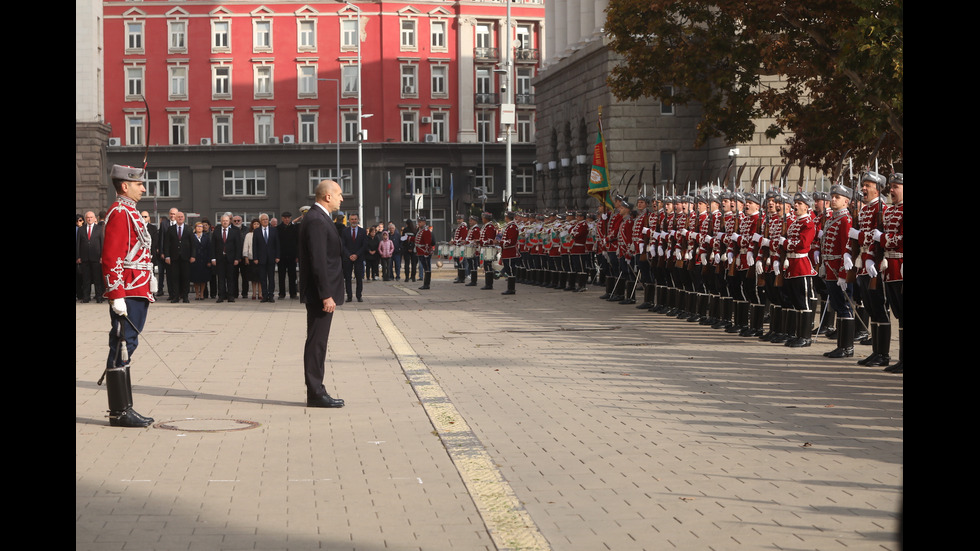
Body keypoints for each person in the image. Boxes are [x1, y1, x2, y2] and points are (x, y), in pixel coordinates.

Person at [101, 164, 156, 427]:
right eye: (138, 184)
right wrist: (116, 294)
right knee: (123, 344)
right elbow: (111, 257)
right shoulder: (119, 212)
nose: (143, 188)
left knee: (128, 343)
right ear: (125, 186)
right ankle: (120, 412)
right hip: (128, 289)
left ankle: (126, 408)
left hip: (138, 287)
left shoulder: (129, 211)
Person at [298, 180, 346, 408]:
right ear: (327, 196)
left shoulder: (320, 217)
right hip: (320, 294)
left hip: (323, 292)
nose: (341, 198)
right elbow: (318, 260)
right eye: (339, 194)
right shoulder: (316, 219)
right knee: (317, 343)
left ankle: (316, 390)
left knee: (318, 342)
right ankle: (316, 393)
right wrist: (326, 294)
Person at [210, 214, 242, 302]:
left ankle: (230, 296)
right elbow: (213, 246)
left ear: (229, 222)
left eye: (226, 221)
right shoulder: (216, 232)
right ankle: (221, 296)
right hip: (219, 259)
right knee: (220, 278)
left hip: (231, 259)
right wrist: (213, 258)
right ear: (221, 222)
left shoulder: (234, 232)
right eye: (223, 221)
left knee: (231, 278)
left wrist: (237, 258)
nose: (225, 222)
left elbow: (238, 246)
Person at [163, 211, 192, 303]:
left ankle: (185, 296)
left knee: (185, 277)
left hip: (186, 257)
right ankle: (175, 296)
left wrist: (193, 255)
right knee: (175, 277)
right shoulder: (171, 229)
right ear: (175, 218)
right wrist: (167, 256)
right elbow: (166, 243)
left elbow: (192, 244)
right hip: (174, 257)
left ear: (184, 218)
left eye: (181, 217)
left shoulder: (188, 229)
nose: (180, 218)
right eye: (178, 217)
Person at [77, 211, 105, 303]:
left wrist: (102, 256)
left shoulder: (99, 229)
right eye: (88, 217)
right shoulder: (81, 229)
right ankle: (86, 297)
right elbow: (78, 244)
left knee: (97, 279)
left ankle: (99, 297)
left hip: (96, 257)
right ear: (86, 219)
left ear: (94, 218)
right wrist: (78, 256)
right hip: (84, 258)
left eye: (91, 217)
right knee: (86, 279)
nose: (89, 219)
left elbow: (102, 243)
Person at [252, 213, 280, 303]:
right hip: (261, 258)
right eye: (263, 219)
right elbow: (254, 246)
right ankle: (264, 295)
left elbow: (277, 244)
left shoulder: (273, 230)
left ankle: (271, 295)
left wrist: (277, 256)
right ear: (260, 221)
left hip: (271, 258)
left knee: (271, 278)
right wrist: (255, 258)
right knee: (263, 278)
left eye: (266, 219)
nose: (265, 221)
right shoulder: (257, 231)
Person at [341, 213, 367, 302]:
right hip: (347, 258)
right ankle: (349, 296)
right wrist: (349, 255)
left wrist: (357, 255)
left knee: (359, 278)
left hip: (359, 258)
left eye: (355, 219)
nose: (354, 221)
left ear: (358, 220)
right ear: (349, 220)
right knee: (347, 278)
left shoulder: (363, 231)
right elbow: (343, 245)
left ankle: (359, 296)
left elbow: (364, 245)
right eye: (352, 219)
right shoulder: (345, 231)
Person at [277, 211, 299, 299]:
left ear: (290, 218)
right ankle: (282, 293)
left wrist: (297, 255)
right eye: (285, 218)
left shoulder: (294, 228)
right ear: (282, 218)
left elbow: (297, 243)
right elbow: (276, 243)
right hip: (281, 256)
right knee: (281, 276)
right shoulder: (278, 228)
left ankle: (293, 293)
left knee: (292, 275)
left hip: (292, 256)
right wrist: (277, 255)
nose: (286, 219)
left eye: (288, 218)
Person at [189, 221, 212, 300]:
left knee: (203, 278)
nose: (199, 228)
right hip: (195, 259)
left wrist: (209, 260)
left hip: (204, 260)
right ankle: (197, 294)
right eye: (198, 226)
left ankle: (202, 293)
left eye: (201, 226)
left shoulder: (206, 237)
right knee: (195, 278)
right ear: (195, 228)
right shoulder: (192, 236)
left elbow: (209, 249)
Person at [242, 219, 262, 300]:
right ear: (252, 225)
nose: (256, 225)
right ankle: (254, 293)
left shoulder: (262, 234)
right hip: (251, 258)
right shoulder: (248, 235)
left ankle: (260, 293)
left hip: (260, 259)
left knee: (260, 278)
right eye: (255, 224)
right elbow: (245, 247)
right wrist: (246, 257)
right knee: (253, 278)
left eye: (258, 224)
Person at [415, 216, 433, 289]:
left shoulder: (425, 230)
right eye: (418, 222)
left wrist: (426, 252)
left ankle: (427, 284)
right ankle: (426, 284)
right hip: (420, 251)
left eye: (420, 222)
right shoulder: (421, 230)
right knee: (425, 268)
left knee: (427, 268)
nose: (419, 223)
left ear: (424, 222)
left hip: (424, 252)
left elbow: (427, 243)